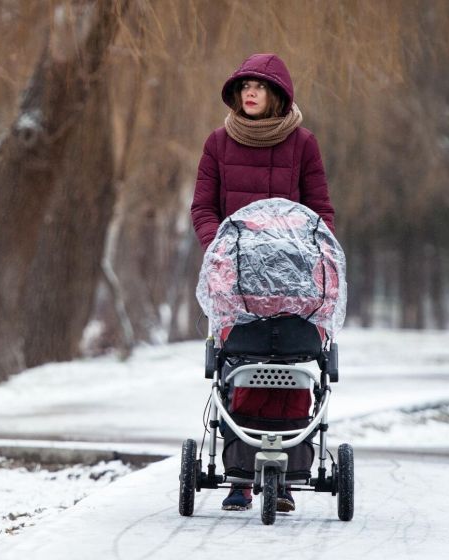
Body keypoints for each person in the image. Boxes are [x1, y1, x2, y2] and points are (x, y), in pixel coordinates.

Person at [190, 53, 336, 513]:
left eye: (259, 87)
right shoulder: (218, 143)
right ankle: (239, 476)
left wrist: (313, 257)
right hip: (234, 277)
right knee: (240, 361)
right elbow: (203, 208)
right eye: (243, 87)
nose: (249, 93)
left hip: (292, 275)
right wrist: (223, 251)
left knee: (290, 358)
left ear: (277, 94)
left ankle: (288, 473)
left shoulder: (303, 144)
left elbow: (320, 212)